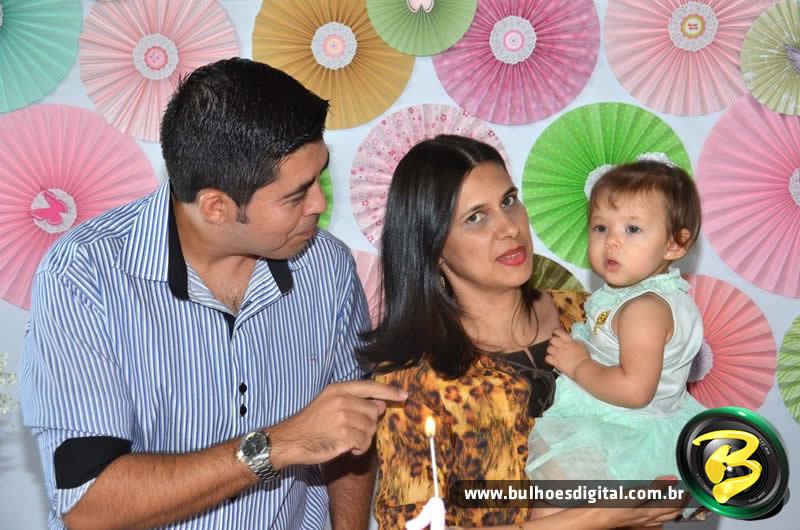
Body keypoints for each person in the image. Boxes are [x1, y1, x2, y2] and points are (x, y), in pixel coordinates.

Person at [20, 58, 405, 530]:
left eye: (319, 177)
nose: (320, 204)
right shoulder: (84, 277)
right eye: (296, 195)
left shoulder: (328, 268)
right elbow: (89, 504)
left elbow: (351, 431)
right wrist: (278, 445)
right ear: (216, 207)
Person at [360, 135, 686, 529]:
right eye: (475, 217)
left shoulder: (590, 313)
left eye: (508, 201)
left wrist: (667, 497)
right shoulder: (413, 378)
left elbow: (665, 436)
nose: (509, 227)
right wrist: (600, 515)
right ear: (435, 247)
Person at [526, 161, 705, 489]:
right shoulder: (643, 297)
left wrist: (579, 365)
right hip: (628, 424)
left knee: (557, 489)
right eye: (600, 227)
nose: (612, 241)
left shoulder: (644, 310)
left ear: (675, 244)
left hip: (626, 432)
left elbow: (635, 391)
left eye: (632, 229)